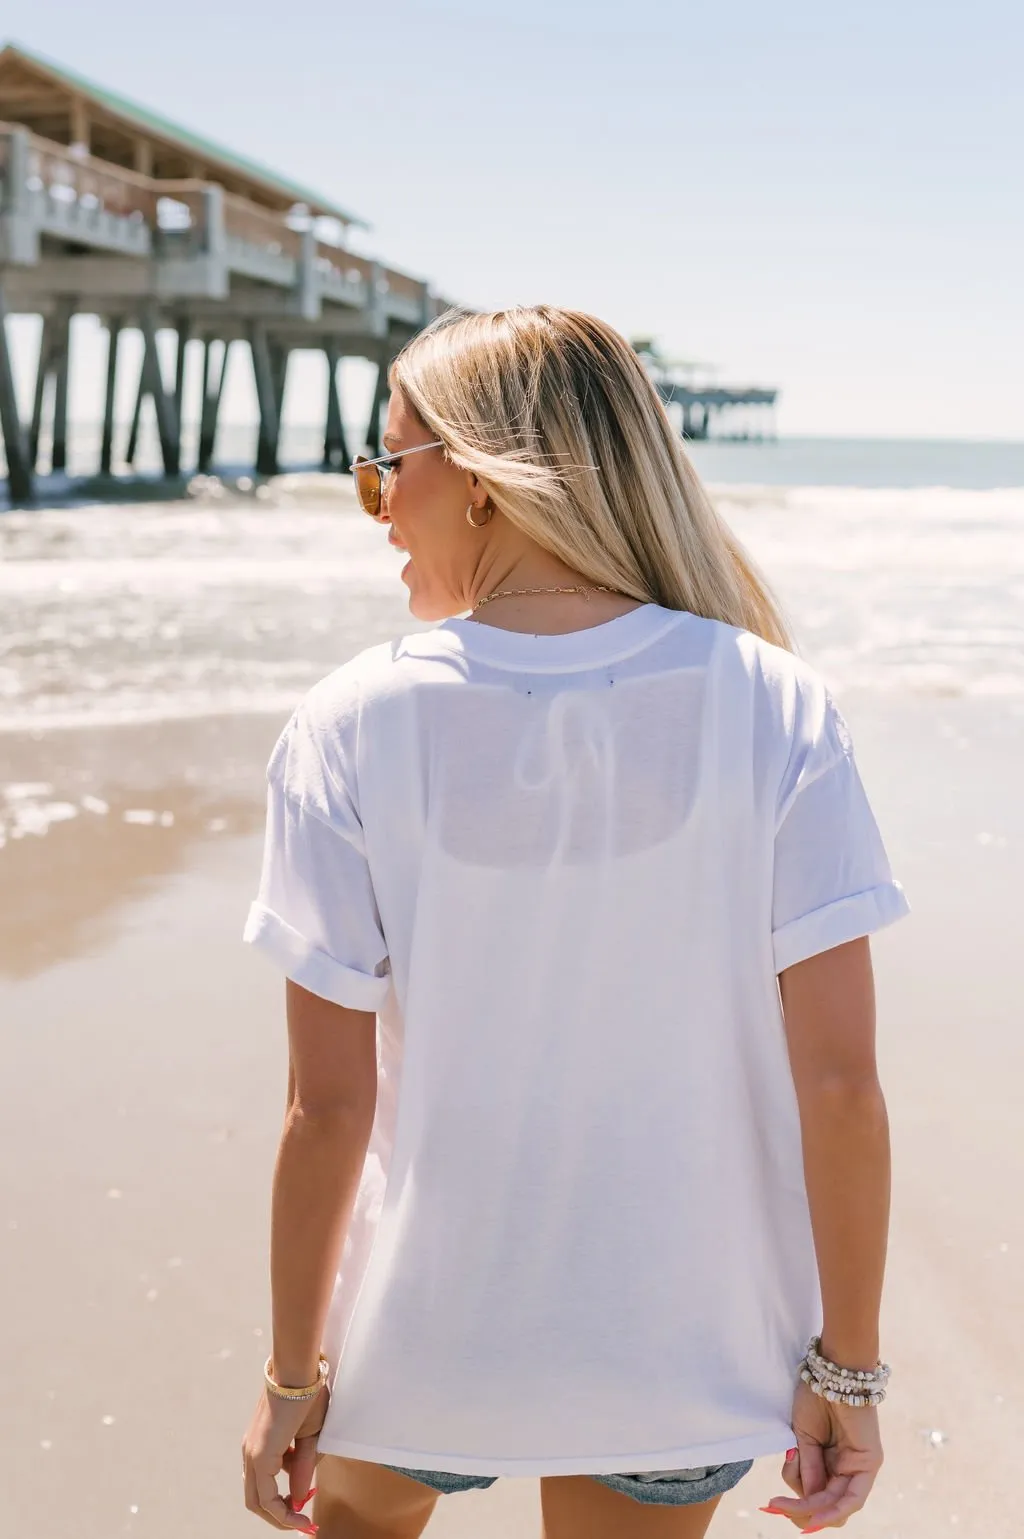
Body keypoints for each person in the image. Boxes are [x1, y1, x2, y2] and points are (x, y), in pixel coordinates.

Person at [240, 306, 909, 1539]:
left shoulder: (347, 724)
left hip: (423, 1332)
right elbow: (840, 1088)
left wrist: (291, 1379)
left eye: (389, 466)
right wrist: (846, 1372)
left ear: (483, 483)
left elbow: (327, 1112)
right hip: (677, 1342)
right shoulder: (774, 704)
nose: (376, 506)